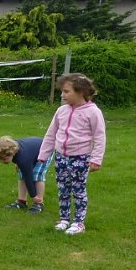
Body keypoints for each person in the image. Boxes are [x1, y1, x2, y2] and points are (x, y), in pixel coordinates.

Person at [37, 73, 106, 235]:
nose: (63, 95)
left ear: (81, 92)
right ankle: (64, 219)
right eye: (62, 91)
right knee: (63, 189)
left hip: (81, 158)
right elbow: (51, 134)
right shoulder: (61, 111)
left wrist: (96, 159)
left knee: (79, 190)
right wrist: (43, 155)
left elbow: (99, 136)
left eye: (67, 91)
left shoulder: (93, 112)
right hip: (61, 157)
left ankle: (79, 222)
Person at [0, 136, 52, 214]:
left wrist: (33, 195)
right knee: (21, 175)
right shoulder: (12, 150)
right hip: (31, 151)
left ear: (11, 153)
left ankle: (39, 202)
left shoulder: (23, 160)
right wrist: (18, 164)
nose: (2, 162)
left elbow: (28, 177)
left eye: (4, 159)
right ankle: (22, 202)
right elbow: (21, 158)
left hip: (44, 150)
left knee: (37, 176)